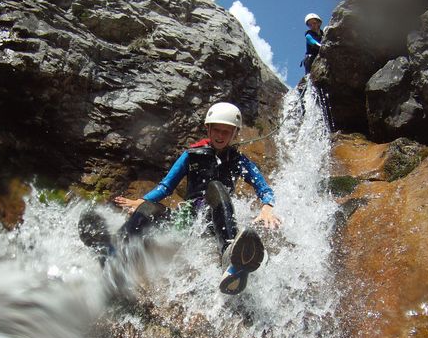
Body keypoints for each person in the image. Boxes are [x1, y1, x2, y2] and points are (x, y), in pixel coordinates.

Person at [79, 102, 281, 295]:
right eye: (216, 130)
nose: (220, 135)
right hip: (190, 220)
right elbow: (166, 186)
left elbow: (262, 187)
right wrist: (142, 201)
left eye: (226, 131)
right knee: (149, 209)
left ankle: (229, 254)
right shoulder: (191, 155)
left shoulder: (239, 161)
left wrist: (267, 207)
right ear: (208, 130)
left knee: (215, 187)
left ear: (234, 133)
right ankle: (115, 255)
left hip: (217, 224)